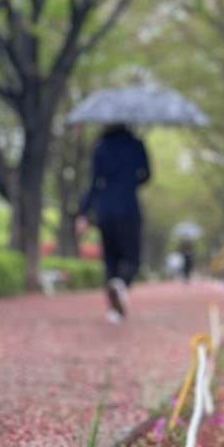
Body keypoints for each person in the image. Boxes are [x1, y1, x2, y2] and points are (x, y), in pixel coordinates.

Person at [75, 123, 151, 323]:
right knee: (133, 259)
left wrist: (83, 213)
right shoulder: (136, 145)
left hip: (105, 210)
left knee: (111, 259)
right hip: (129, 208)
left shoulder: (101, 147)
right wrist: (131, 180)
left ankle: (114, 310)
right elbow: (147, 175)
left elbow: (94, 183)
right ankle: (122, 286)